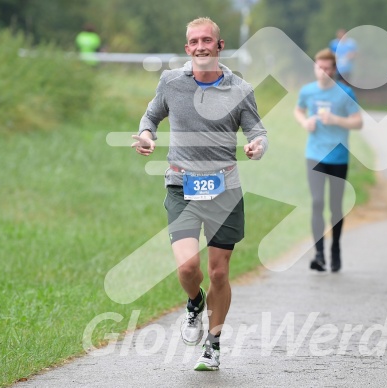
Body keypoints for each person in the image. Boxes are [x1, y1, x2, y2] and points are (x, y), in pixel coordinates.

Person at [131, 17, 268, 371]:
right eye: (195, 41)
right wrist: (147, 136)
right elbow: (151, 117)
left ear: (220, 46)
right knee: (188, 266)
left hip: (225, 189)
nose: (201, 46)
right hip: (182, 186)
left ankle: (214, 344)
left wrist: (256, 146)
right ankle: (194, 303)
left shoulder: (241, 89)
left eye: (208, 40)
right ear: (187, 48)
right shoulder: (171, 83)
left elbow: (257, 131)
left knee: (220, 272)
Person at [294, 48, 363, 273]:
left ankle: (335, 249)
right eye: (319, 67)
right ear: (314, 67)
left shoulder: (345, 93)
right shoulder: (307, 91)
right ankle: (319, 254)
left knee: (335, 207)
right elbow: (298, 110)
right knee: (316, 203)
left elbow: (358, 122)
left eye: (327, 68)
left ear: (333, 70)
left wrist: (335, 119)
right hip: (314, 154)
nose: (323, 72)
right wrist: (305, 123)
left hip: (338, 156)